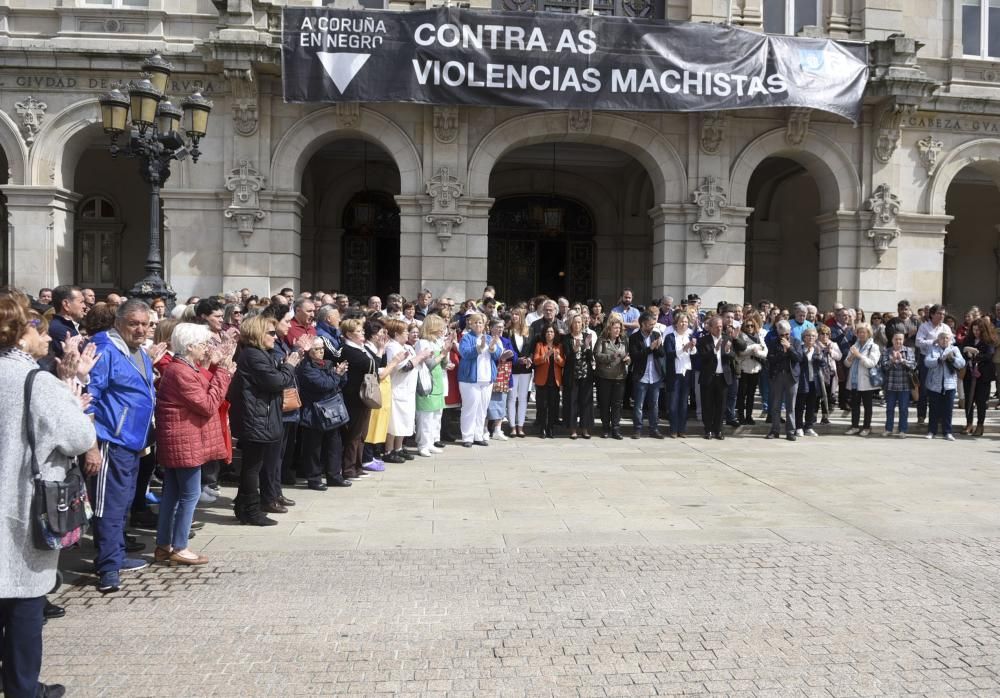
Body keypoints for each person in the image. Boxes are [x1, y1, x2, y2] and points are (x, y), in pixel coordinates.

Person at [0, 297, 95, 698]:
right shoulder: (33, 380)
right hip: (20, 505)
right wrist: (73, 400)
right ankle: (23, 690)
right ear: (20, 335)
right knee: (24, 599)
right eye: (39, 329)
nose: (46, 338)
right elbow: (79, 436)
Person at [85, 299, 158, 594]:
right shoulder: (105, 349)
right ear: (118, 322)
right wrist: (91, 445)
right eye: (134, 323)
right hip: (110, 440)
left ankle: (115, 555)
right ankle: (108, 567)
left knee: (123, 502)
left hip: (132, 441)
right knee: (109, 505)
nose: (140, 329)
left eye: (145, 324)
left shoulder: (139, 351)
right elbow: (89, 396)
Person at [153, 323, 234, 566]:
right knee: (189, 494)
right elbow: (208, 404)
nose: (206, 349)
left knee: (172, 494)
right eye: (203, 344)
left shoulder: (185, 367)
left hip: (182, 439)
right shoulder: (181, 371)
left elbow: (205, 386)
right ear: (190, 346)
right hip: (184, 441)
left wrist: (215, 366)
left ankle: (164, 545)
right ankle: (179, 546)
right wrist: (224, 373)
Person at [227, 315, 301, 526]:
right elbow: (277, 382)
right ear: (258, 334)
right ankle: (251, 510)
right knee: (252, 467)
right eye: (270, 333)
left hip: (261, 415)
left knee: (253, 465)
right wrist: (289, 365)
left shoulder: (259, 354)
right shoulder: (253, 355)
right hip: (256, 418)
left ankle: (243, 507)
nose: (274, 337)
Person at [296, 336, 351, 490]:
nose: (320, 352)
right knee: (313, 448)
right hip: (314, 412)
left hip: (332, 410)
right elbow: (324, 385)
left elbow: (340, 384)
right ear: (309, 351)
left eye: (322, 349)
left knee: (335, 444)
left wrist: (341, 373)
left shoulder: (327, 364)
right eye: (316, 349)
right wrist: (336, 375)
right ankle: (314, 479)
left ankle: (334, 476)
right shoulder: (306, 368)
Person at [383, 319, 432, 463]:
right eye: (405, 332)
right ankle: (388, 450)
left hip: (408, 391)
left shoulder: (408, 347)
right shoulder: (392, 347)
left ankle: (399, 448)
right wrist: (420, 356)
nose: (408, 334)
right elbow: (403, 367)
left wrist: (423, 357)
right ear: (397, 334)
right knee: (395, 423)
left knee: (405, 421)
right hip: (397, 389)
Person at [458, 312, 503, 446]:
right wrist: (479, 348)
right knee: (469, 408)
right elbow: (465, 353)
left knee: (482, 409)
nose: (478, 325)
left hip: (486, 379)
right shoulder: (466, 338)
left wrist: (492, 348)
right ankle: (467, 437)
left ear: (484, 325)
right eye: (476, 322)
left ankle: (478, 435)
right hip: (469, 379)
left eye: (481, 323)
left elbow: (498, 355)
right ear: (470, 324)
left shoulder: (489, 338)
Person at [697, 315, 744, 440]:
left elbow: (733, 355)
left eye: (720, 327)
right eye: (716, 327)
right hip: (708, 377)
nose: (719, 329)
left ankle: (718, 430)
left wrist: (728, 351)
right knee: (707, 405)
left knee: (721, 405)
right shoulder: (703, 340)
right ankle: (708, 430)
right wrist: (714, 350)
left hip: (723, 377)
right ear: (710, 327)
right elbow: (701, 357)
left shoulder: (726, 338)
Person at [415, 315, 452, 455]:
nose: (443, 330)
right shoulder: (423, 342)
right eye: (440, 327)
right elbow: (429, 364)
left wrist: (446, 352)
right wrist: (442, 354)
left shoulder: (437, 342)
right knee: (425, 417)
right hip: (427, 383)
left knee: (436, 415)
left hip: (438, 382)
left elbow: (443, 364)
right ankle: (422, 444)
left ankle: (430, 442)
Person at [628, 311, 666, 439]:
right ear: (643, 324)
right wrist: (650, 348)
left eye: (654, 324)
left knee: (654, 405)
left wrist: (658, 347)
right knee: (638, 405)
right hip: (641, 376)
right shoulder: (634, 337)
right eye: (650, 325)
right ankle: (637, 430)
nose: (652, 327)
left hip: (655, 375)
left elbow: (661, 354)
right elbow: (635, 356)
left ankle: (654, 429)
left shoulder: (656, 334)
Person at [924, 327, 965, 440]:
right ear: (938, 339)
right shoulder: (933, 349)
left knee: (948, 409)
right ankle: (932, 431)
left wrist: (952, 359)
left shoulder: (954, 349)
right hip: (934, 384)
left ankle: (947, 432)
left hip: (950, 384)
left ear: (950, 339)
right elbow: (927, 362)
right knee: (933, 409)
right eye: (942, 338)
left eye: (947, 338)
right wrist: (939, 360)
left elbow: (961, 363)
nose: (944, 340)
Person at [765, 320, 803, 441]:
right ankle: (775, 430)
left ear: (790, 332)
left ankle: (790, 431)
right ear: (777, 333)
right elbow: (770, 359)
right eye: (781, 335)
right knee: (776, 405)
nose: (784, 337)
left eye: (786, 334)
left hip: (791, 377)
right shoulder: (773, 342)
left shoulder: (796, 342)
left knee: (790, 406)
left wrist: (789, 348)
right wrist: (783, 353)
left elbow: (798, 358)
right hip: (777, 376)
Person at [594, 314, 629, 439]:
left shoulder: (624, 341)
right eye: (615, 328)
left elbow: (628, 355)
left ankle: (615, 428)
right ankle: (605, 428)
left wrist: (627, 359)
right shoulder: (602, 340)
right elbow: (597, 356)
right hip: (604, 377)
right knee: (604, 403)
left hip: (619, 377)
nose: (617, 330)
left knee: (617, 404)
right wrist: (611, 357)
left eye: (619, 328)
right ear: (609, 329)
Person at [960, 317, 997, 436]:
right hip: (969, 375)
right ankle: (969, 423)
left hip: (983, 376)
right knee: (969, 401)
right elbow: (962, 351)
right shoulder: (968, 339)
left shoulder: (988, 341)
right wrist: (966, 353)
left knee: (981, 401)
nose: (976, 332)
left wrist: (975, 355)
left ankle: (980, 425)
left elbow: (989, 356)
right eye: (974, 330)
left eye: (978, 330)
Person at [843, 322, 882, 436]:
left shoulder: (874, 347)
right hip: (854, 382)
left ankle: (866, 427)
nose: (861, 334)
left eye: (863, 332)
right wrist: (851, 357)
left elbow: (871, 363)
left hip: (866, 382)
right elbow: (846, 364)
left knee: (867, 406)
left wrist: (859, 355)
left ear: (869, 333)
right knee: (854, 405)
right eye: (859, 332)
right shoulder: (855, 346)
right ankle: (855, 426)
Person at [561, 313, 596, 439]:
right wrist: (575, 349)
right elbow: (567, 357)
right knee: (572, 401)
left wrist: (587, 347)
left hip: (586, 374)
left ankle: (585, 429)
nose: (577, 324)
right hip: (572, 374)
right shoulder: (566, 338)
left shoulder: (587, 336)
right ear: (571, 324)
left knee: (585, 402)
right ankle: (573, 429)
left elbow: (590, 357)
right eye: (575, 322)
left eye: (579, 322)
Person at [664, 310, 696, 438]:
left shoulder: (689, 336)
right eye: (681, 321)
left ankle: (682, 429)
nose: (684, 324)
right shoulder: (670, 337)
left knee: (684, 403)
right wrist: (684, 348)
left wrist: (692, 347)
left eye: (686, 322)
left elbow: (694, 354)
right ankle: (673, 429)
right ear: (676, 323)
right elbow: (669, 354)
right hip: (674, 373)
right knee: (673, 403)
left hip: (686, 372)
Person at [881, 330, 916, 437]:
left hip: (904, 385)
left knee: (903, 409)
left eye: (900, 339)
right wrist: (891, 361)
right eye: (896, 339)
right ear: (892, 340)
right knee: (890, 409)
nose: (898, 341)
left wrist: (902, 360)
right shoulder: (887, 351)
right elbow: (884, 366)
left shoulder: (909, 350)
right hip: (891, 385)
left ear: (903, 340)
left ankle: (903, 430)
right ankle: (888, 429)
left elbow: (913, 365)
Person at [532, 324, 564, 438]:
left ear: (554, 334)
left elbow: (563, 363)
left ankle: (550, 428)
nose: (549, 334)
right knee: (542, 406)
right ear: (544, 334)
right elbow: (535, 361)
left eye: (551, 332)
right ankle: (542, 428)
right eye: (547, 332)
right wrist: (545, 356)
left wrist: (558, 358)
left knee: (553, 406)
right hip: (542, 380)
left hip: (554, 380)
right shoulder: (540, 345)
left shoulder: (559, 346)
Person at [487, 318, 516, 440]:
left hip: (504, 377)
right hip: (490, 376)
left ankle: (497, 430)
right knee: (488, 404)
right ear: (491, 328)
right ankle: (484, 430)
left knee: (501, 402)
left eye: (502, 327)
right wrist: (500, 358)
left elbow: (514, 358)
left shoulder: (506, 341)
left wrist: (508, 356)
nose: (500, 329)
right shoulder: (487, 339)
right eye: (497, 327)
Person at [505, 307, 532, 438]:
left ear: (522, 316)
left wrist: (529, 358)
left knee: (522, 398)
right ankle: (512, 427)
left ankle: (520, 426)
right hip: (513, 368)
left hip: (526, 369)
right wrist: (517, 359)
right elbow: (505, 348)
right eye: (513, 314)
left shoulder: (529, 330)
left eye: (517, 314)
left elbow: (532, 347)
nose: (514, 316)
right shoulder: (507, 331)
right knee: (511, 398)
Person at [736, 316, 767, 425]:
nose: (750, 327)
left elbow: (765, 352)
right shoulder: (741, 336)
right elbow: (741, 351)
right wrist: (753, 348)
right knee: (742, 394)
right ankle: (740, 416)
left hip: (755, 368)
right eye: (747, 325)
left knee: (751, 394)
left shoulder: (759, 337)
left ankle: (749, 416)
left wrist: (757, 352)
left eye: (752, 325)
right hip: (744, 368)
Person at [794, 328, 825, 437]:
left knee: (812, 406)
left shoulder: (818, 349)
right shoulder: (800, 348)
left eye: (813, 335)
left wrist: (819, 354)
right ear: (803, 337)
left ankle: (809, 426)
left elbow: (823, 364)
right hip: (803, 381)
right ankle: (798, 427)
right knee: (800, 405)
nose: (811, 337)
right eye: (808, 335)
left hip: (814, 381)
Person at [47, 285, 86, 360]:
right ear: (66, 304)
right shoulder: (59, 330)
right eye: (81, 302)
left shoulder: (67, 326)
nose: (84, 306)